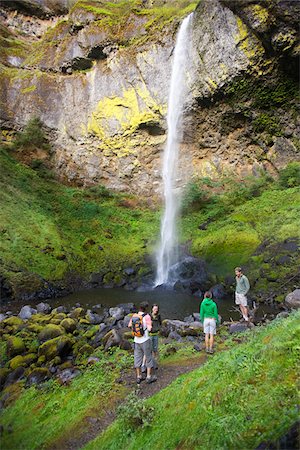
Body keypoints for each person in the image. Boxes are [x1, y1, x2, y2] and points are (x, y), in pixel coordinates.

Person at [128, 301, 157, 385]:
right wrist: (149, 324)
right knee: (148, 357)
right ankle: (148, 377)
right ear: (146, 308)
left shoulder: (134, 316)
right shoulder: (147, 316)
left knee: (137, 357)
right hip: (145, 340)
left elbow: (129, 325)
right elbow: (149, 329)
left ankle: (139, 376)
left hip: (136, 340)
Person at [149, 304, 162, 368]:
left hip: (156, 334)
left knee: (155, 349)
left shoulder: (158, 316)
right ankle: (149, 363)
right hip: (150, 335)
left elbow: (160, 323)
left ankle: (154, 363)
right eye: (154, 309)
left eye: (156, 309)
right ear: (152, 309)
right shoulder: (149, 316)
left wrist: (159, 329)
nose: (156, 310)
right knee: (149, 349)